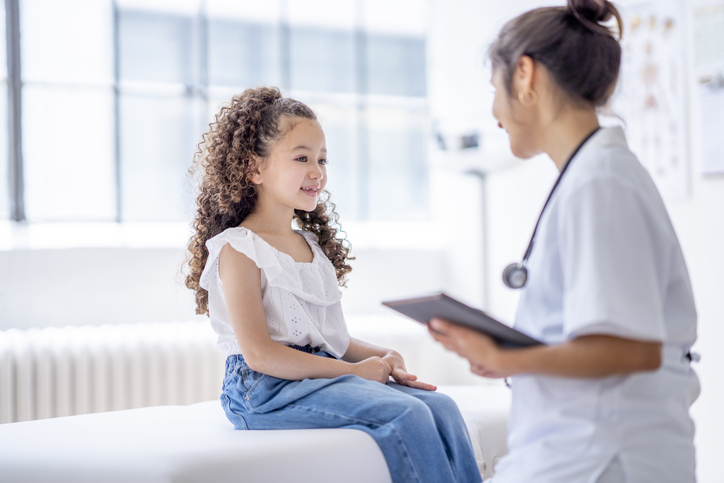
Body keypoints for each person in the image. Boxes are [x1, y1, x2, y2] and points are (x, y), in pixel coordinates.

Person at [428, 1, 699, 482]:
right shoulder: (591, 176)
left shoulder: (601, 182)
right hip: (584, 449)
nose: (494, 113)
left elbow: (631, 350)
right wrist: (514, 357)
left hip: (603, 456)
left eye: (495, 90)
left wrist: (505, 356)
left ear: (525, 76)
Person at [185, 86, 481, 483]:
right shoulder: (238, 249)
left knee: (441, 406)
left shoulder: (308, 246)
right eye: (302, 157)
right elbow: (261, 355)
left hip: (314, 372)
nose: (317, 171)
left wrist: (384, 354)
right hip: (263, 389)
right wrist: (355, 373)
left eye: (322, 159)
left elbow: (331, 340)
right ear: (253, 169)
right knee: (405, 412)